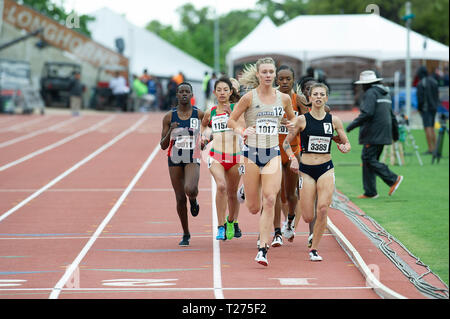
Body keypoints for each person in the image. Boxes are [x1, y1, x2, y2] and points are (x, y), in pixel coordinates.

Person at [227, 57, 296, 266]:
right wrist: (241, 129)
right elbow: (232, 120)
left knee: (269, 200)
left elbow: (292, 120)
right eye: (264, 72)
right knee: (254, 207)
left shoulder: (283, 98)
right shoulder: (249, 97)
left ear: (274, 74)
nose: (268, 75)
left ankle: (262, 249)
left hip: (272, 154)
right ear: (258, 74)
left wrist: (290, 125)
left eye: (270, 72)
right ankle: (244, 193)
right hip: (251, 154)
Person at [285, 82, 351, 261]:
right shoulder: (302, 120)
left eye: (322, 94)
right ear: (310, 98)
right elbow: (286, 144)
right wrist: (293, 159)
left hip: (326, 168)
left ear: (326, 98)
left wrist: (345, 147)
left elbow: (345, 142)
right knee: (308, 216)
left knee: (322, 209)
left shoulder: (334, 120)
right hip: (306, 170)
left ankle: (314, 249)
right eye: (316, 94)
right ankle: (308, 229)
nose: (319, 97)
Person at [346, 70, 403, 199]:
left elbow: (367, 113)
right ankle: (370, 192)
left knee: (368, 159)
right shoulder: (385, 94)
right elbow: (392, 116)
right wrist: (395, 134)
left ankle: (393, 179)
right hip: (384, 133)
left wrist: (351, 126)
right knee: (369, 161)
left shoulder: (370, 93)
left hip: (373, 133)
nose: (362, 87)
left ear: (367, 84)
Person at [160, 82, 204, 246]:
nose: (184, 94)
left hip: (192, 155)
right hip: (175, 158)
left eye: (187, 92)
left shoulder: (199, 114)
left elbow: (210, 131)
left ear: (192, 95)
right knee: (179, 198)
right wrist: (170, 131)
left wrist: (205, 141)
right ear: (177, 95)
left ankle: (193, 200)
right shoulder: (169, 117)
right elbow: (163, 145)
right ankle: (186, 233)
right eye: (181, 92)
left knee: (190, 189)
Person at [201, 76, 244, 241]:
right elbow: (204, 124)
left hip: (235, 157)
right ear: (214, 92)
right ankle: (220, 226)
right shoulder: (210, 112)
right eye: (219, 90)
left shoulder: (237, 108)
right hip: (216, 156)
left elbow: (243, 127)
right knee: (221, 186)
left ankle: (231, 222)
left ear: (231, 91)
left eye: (225, 90)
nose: (222, 93)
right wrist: (204, 136)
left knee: (232, 193)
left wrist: (232, 115)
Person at [271, 65, 309, 247]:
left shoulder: (298, 100)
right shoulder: (271, 98)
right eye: (281, 79)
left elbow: (310, 122)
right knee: (276, 193)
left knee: (291, 194)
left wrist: (295, 123)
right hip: (275, 151)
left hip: (293, 152)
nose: (284, 82)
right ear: (276, 80)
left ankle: (290, 221)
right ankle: (276, 232)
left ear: (293, 80)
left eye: (288, 79)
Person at [416, 66, 440, 154]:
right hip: (434, 107)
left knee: (427, 128)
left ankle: (431, 149)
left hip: (426, 108)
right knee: (432, 128)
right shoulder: (434, 81)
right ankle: (436, 148)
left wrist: (419, 109)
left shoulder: (421, 83)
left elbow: (420, 98)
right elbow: (437, 95)